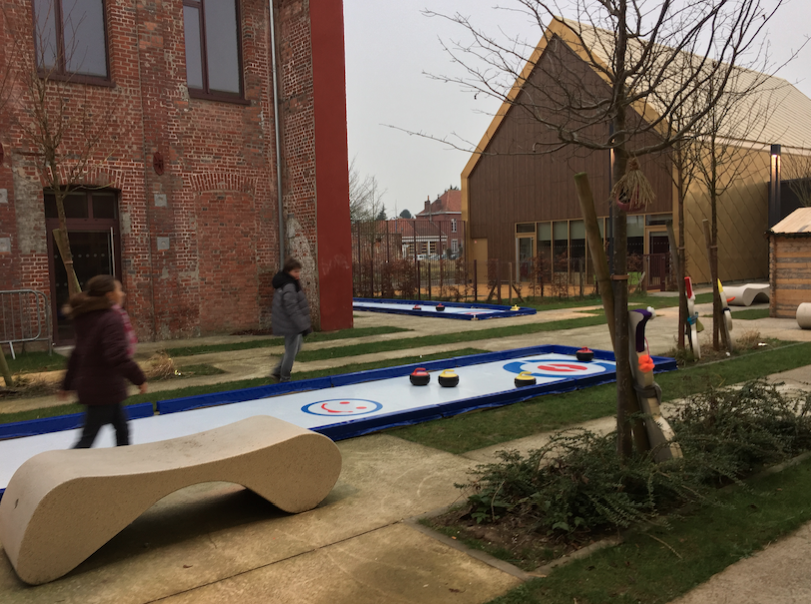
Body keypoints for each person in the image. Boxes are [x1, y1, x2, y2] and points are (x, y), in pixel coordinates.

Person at [59, 275, 147, 448]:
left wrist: (66, 384)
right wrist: (139, 378)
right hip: (103, 388)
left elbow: (77, 354)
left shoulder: (87, 318)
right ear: (109, 295)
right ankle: (66, 469)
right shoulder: (110, 319)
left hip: (101, 386)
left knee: (122, 430)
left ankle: (125, 465)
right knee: (88, 438)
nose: (123, 294)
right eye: (119, 290)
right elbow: (117, 356)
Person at [270, 257, 312, 382]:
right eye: (295, 271)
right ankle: (284, 377)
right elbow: (292, 308)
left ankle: (278, 371)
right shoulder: (289, 285)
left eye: (299, 271)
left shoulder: (287, 282)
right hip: (290, 323)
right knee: (291, 351)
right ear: (288, 271)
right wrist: (303, 326)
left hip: (289, 322)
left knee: (296, 348)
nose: (297, 274)